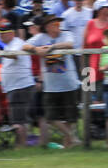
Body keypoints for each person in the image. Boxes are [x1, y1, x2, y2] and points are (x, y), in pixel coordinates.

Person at [24, 15, 79, 149]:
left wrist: (52, 47)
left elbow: (70, 44)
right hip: (51, 86)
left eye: (58, 23)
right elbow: (24, 45)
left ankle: (68, 146)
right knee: (50, 117)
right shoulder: (40, 37)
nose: (57, 26)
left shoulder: (66, 34)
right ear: (47, 26)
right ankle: (73, 138)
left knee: (70, 118)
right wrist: (36, 49)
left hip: (69, 83)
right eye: (54, 24)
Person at [0, 21, 35, 148]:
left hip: (20, 86)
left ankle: (21, 145)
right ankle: (21, 144)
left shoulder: (17, 43)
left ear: (11, 33)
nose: (0, 36)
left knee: (18, 120)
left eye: (3, 33)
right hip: (15, 87)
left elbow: (14, 55)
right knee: (17, 119)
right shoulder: (9, 45)